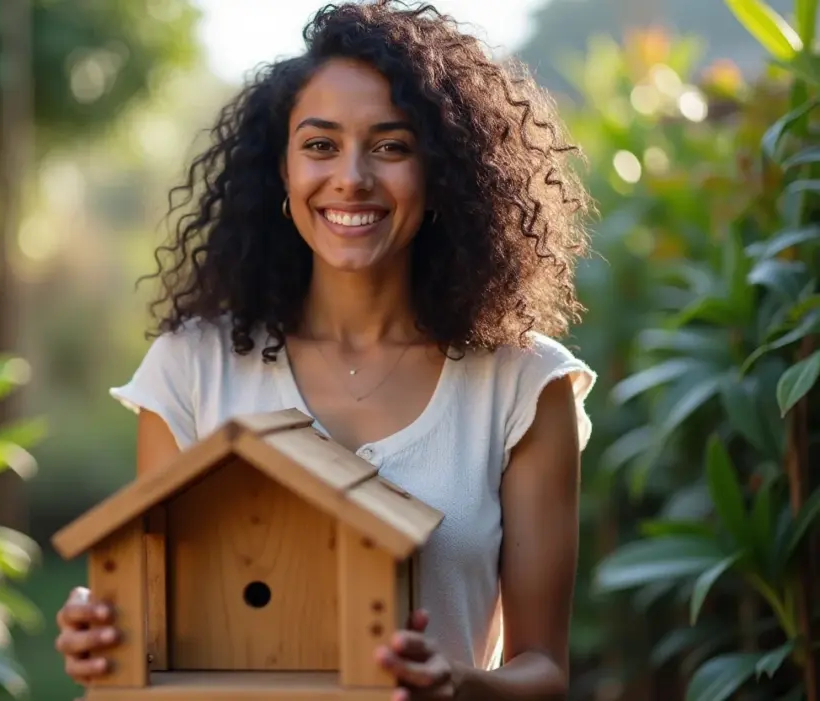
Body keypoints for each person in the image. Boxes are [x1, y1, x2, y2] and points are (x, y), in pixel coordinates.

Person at [54, 1, 596, 699]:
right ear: (281, 170)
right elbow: (154, 632)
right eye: (319, 145)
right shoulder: (191, 371)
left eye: (391, 146)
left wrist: (455, 684)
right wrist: (104, 634)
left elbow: (544, 671)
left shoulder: (523, 386)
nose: (352, 178)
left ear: (442, 174)